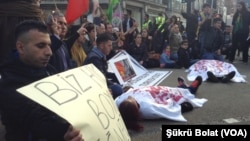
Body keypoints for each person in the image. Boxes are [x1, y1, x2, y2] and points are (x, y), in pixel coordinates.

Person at [0, 20, 83, 141]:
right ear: (21, 47)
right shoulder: (9, 83)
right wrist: (65, 133)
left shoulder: (48, 69)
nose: (49, 52)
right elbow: (39, 121)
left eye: (49, 45)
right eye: (41, 46)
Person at [115, 76, 205, 132]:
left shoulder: (120, 102)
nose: (129, 97)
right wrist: (182, 107)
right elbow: (165, 110)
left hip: (148, 90)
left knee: (166, 88)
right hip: (155, 96)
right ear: (136, 108)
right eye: (131, 100)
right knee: (174, 92)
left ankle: (182, 86)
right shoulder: (147, 109)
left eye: (127, 99)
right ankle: (190, 89)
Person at [83, 32, 123, 99]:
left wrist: (116, 75)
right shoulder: (94, 58)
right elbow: (101, 77)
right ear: (101, 46)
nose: (111, 48)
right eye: (109, 46)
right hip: (93, 86)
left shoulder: (100, 55)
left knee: (118, 78)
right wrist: (113, 84)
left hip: (99, 82)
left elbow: (104, 73)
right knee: (118, 89)